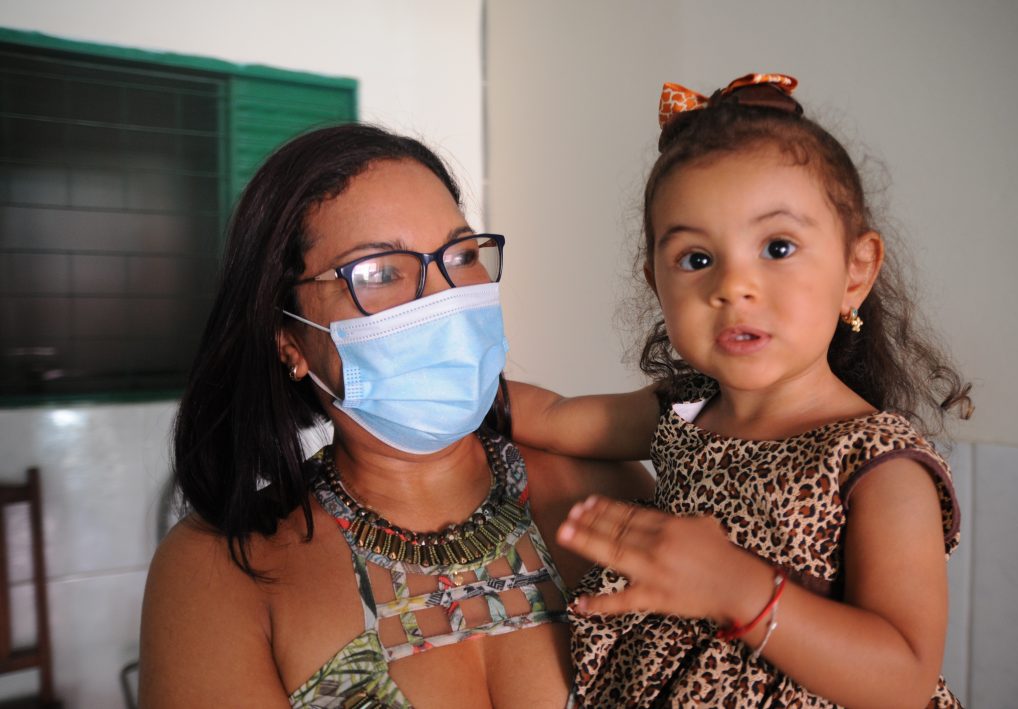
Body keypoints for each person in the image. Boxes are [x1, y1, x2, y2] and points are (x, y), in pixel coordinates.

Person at [138, 124, 651, 708]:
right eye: (379, 272)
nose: (444, 297)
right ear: (289, 340)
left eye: (461, 255)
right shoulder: (218, 570)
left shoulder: (608, 491)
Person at [509, 74, 973, 707]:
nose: (732, 286)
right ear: (657, 284)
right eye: (696, 259)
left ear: (855, 271)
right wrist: (436, 389)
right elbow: (553, 417)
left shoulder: (879, 462)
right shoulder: (684, 409)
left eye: (777, 247)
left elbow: (904, 679)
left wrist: (734, 586)